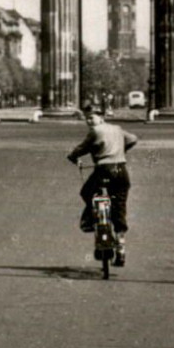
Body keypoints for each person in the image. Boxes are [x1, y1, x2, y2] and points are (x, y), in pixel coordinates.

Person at [66, 108, 138, 266]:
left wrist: (72, 157)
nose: (89, 121)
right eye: (87, 119)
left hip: (104, 170)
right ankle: (121, 248)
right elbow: (133, 139)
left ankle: (94, 220)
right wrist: (121, 150)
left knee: (87, 192)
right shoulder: (117, 129)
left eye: (91, 118)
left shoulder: (95, 131)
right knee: (119, 207)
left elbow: (82, 148)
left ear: (101, 118)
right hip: (121, 170)